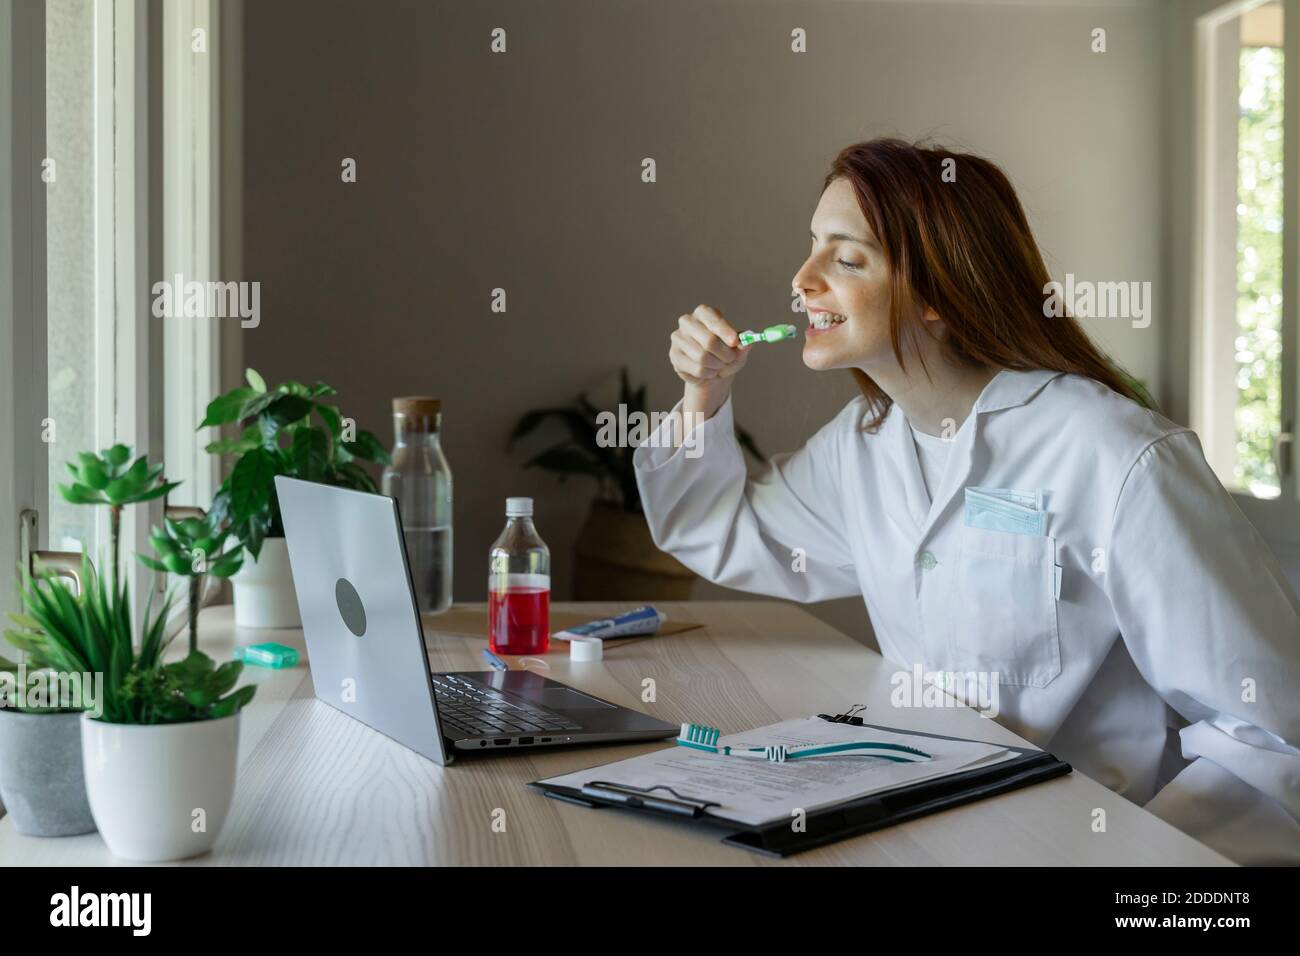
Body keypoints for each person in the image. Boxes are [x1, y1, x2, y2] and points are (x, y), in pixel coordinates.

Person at [632, 138, 1300, 865]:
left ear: (937, 294)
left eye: (845, 258)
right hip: (923, 828)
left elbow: (1266, 733)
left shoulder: (1117, 455)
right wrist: (705, 396)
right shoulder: (864, 442)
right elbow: (722, 530)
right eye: (812, 247)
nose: (802, 280)